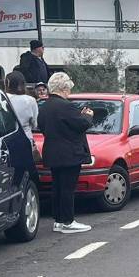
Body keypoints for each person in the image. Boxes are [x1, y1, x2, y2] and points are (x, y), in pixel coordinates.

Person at [38, 72, 94, 234]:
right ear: (63, 88)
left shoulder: (45, 106)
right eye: (68, 88)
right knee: (68, 188)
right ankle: (68, 221)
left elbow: (42, 126)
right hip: (69, 152)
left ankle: (58, 220)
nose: (69, 91)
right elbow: (81, 124)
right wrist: (88, 116)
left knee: (57, 186)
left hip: (52, 150)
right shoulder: (66, 106)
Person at [4, 71, 40, 187]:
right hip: (25, 139)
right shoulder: (30, 100)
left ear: (7, 83)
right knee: (29, 174)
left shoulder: (2, 98)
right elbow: (35, 124)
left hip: (6, 138)